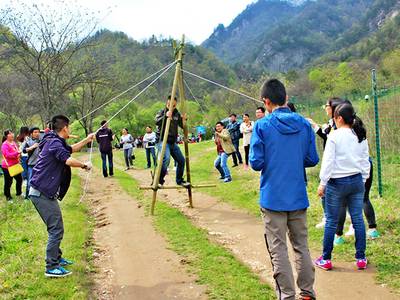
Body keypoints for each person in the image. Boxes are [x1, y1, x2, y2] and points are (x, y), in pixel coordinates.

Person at [250, 79, 319, 300]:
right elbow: (311, 159)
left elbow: (256, 162)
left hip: (272, 198)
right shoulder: (304, 124)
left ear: (266, 101)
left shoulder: (261, 125)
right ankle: (307, 293)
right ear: (286, 98)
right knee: (301, 246)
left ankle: (287, 296)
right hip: (298, 196)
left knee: (277, 248)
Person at [29, 115, 94, 277]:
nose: (70, 130)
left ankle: (56, 258)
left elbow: (71, 149)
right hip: (41, 192)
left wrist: (87, 139)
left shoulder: (54, 141)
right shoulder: (54, 143)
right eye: (69, 127)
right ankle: (51, 267)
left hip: (44, 191)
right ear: (65, 128)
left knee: (56, 226)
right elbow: (69, 160)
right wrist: (84, 165)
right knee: (56, 229)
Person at [315, 103, 370, 271]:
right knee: (358, 219)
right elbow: (364, 159)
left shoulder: (334, 136)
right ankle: (360, 258)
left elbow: (328, 162)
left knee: (331, 220)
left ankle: (326, 259)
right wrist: (363, 178)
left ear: (339, 118)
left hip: (336, 183)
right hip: (356, 181)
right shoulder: (359, 135)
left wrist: (322, 183)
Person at [155, 95, 188, 187]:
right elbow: (157, 122)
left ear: (175, 104)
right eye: (170, 104)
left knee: (181, 160)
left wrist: (184, 120)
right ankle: (159, 181)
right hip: (162, 140)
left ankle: (179, 180)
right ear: (167, 103)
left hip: (172, 142)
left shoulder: (177, 113)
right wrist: (165, 116)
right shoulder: (162, 112)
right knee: (166, 159)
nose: (171, 107)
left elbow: (182, 125)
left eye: (173, 105)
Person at [1, 130, 23, 202]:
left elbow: (16, 151)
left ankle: (19, 193)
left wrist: (19, 154)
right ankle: (8, 197)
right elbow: (7, 155)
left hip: (16, 165)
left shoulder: (13, 143)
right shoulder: (4, 145)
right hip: (7, 167)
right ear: (6, 136)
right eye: (10, 133)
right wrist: (17, 153)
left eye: (12, 133)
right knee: (8, 182)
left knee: (19, 180)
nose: (12, 134)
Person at [22, 127, 41, 199]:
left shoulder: (41, 141)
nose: (37, 133)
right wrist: (32, 147)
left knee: (39, 181)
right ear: (31, 134)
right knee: (30, 181)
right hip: (31, 165)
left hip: (40, 165)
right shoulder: (28, 142)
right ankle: (27, 197)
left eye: (38, 132)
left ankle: (37, 196)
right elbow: (24, 150)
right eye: (35, 132)